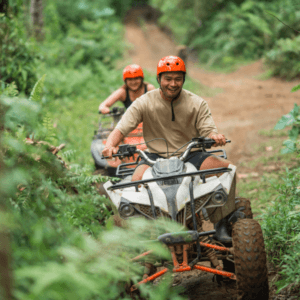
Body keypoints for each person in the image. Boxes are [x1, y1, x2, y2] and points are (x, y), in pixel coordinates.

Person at [102, 56, 235, 252]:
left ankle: (221, 224)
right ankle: (141, 237)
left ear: (183, 79)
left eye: (178, 79)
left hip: (191, 154)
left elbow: (208, 129)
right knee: (134, 186)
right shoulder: (143, 102)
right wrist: (110, 145)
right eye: (168, 79)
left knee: (227, 170)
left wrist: (215, 136)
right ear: (158, 79)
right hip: (154, 157)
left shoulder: (196, 103)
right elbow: (122, 127)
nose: (173, 84)